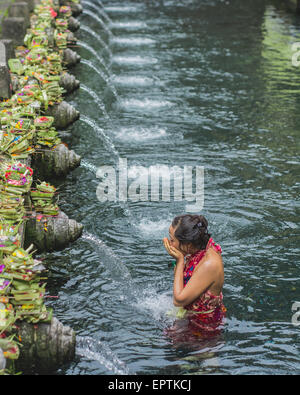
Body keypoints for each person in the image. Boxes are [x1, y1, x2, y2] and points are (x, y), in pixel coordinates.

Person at [163, 214, 226, 335]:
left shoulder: (209, 264)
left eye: (172, 240)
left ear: (188, 245)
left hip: (203, 327)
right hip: (190, 316)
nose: (170, 244)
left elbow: (178, 300)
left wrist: (180, 260)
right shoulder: (200, 245)